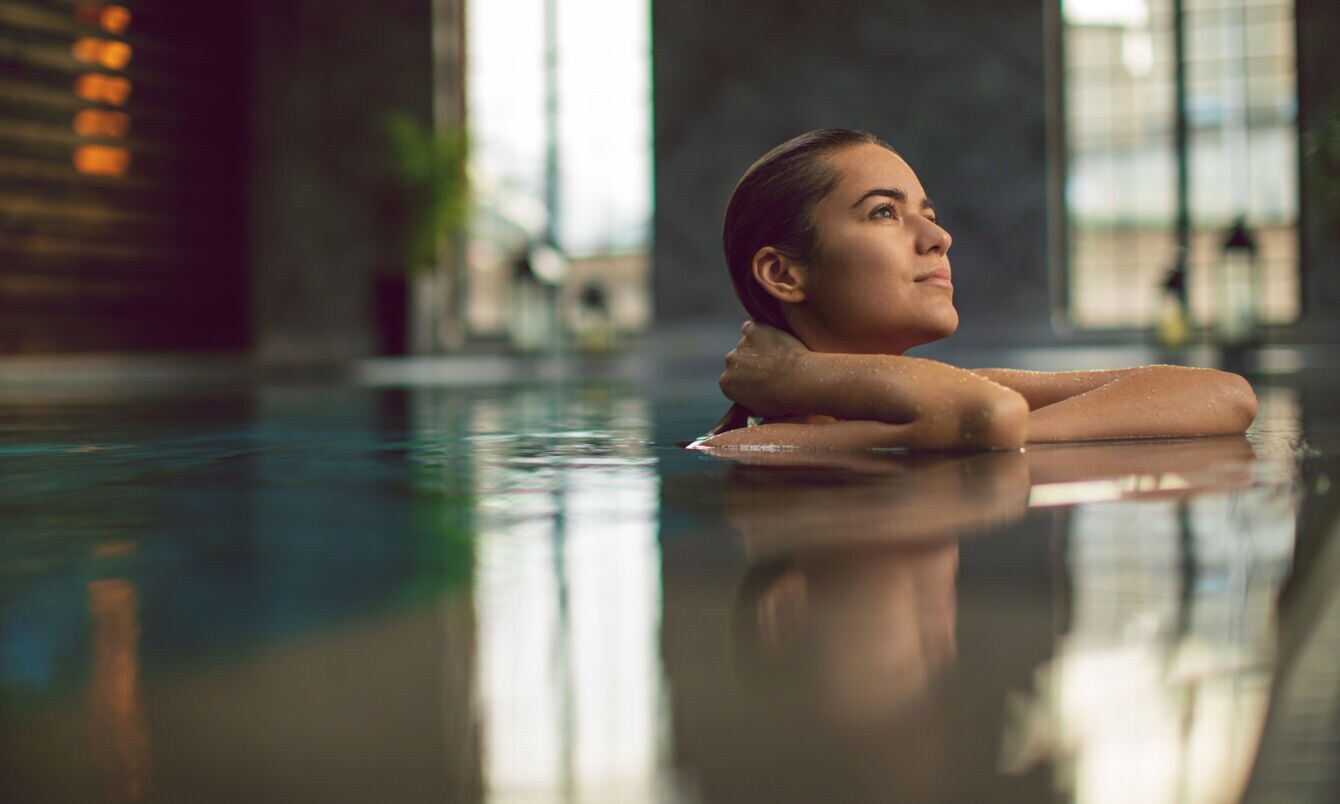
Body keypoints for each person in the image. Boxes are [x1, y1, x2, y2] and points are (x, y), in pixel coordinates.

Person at [694, 129, 1258, 451]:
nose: (939, 237)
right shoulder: (749, 449)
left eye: (928, 213)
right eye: (885, 212)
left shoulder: (947, 406)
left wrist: (799, 375)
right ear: (784, 274)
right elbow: (986, 415)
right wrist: (976, 428)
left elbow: (1225, 394)